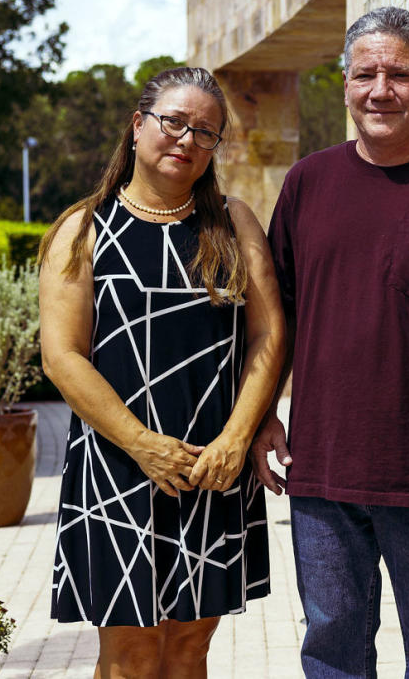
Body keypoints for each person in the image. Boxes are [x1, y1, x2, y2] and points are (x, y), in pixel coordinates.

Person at [251, 6, 409, 677]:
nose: (380, 90)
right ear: (344, 83)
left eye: (399, 74)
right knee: (332, 648)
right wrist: (260, 418)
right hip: (323, 474)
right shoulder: (308, 184)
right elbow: (274, 315)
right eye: (365, 73)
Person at [38, 67, 286, 678]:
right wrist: (142, 444)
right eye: (174, 122)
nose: (187, 140)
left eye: (206, 132)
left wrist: (237, 437)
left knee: (186, 652)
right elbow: (62, 356)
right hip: (115, 467)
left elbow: (269, 334)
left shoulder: (232, 223)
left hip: (209, 467)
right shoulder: (83, 228)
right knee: (128, 659)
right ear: (138, 124)